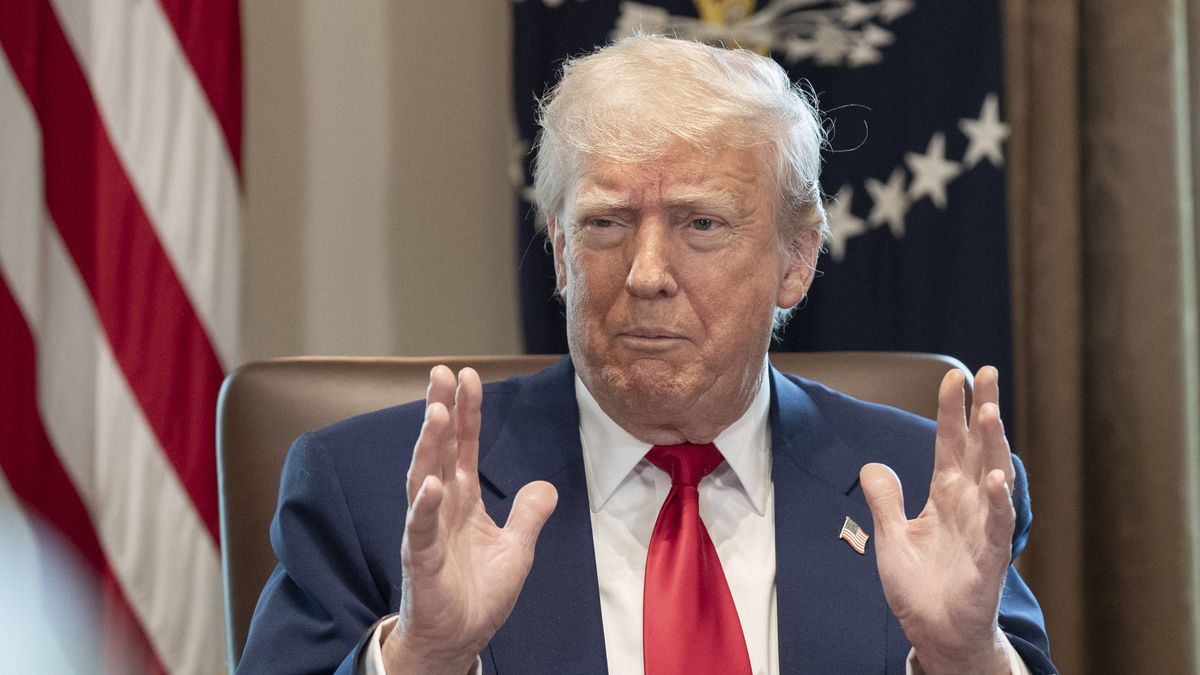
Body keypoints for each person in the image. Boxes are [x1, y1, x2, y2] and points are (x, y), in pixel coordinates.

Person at [238, 35, 1054, 674]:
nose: (647, 273)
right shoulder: (370, 490)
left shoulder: (924, 483)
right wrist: (422, 659)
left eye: (702, 224)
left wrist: (963, 662)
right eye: (606, 223)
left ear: (795, 261)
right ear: (559, 253)